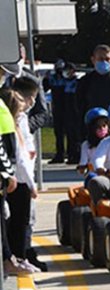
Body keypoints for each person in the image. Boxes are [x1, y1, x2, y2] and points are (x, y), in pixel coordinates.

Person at [0, 88, 40, 274]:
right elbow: (19, 160)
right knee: (18, 222)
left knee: (16, 222)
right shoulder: (11, 127)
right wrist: (32, 185)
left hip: (16, 178)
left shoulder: (16, 126)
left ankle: (16, 257)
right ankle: (16, 257)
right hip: (17, 180)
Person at [77, 45, 110, 127]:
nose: (104, 62)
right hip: (91, 127)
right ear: (93, 60)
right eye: (100, 59)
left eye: (107, 59)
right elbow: (78, 106)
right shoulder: (84, 81)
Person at [45, 60, 67, 163]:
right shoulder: (53, 79)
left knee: (71, 133)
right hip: (57, 108)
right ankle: (60, 154)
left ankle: (72, 153)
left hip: (67, 109)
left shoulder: (66, 79)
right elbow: (45, 87)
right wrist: (46, 78)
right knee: (58, 133)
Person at [78, 108, 110, 175]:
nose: (102, 129)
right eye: (98, 127)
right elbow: (83, 165)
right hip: (94, 176)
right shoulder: (86, 145)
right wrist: (82, 169)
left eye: (104, 126)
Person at [62, 63, 82, 164]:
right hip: (67, 111)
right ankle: (70, 155)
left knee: (76, 135)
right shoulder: (65, 82)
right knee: (69, 135)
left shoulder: (77, 82)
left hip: (76, 111)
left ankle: (77, 155)